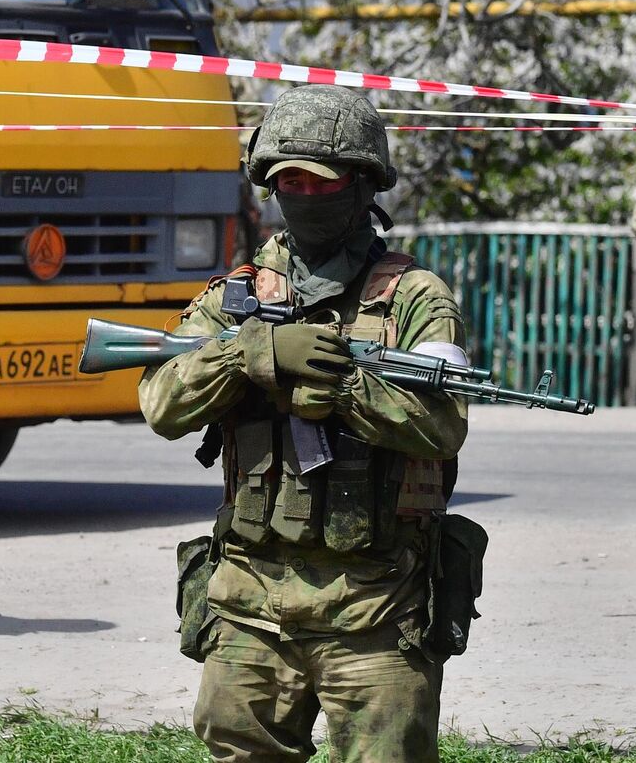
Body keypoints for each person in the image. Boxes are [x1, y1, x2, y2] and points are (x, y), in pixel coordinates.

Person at [139, 84, 472, 762]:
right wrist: (249, 355)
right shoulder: (236, 297)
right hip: (251, 603)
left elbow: (443, 427)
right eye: (289, 180)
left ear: (363, 182)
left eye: (323, 181)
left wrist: (347, 390)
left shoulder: (414, 299)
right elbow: (161, 404)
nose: (305, 195)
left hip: (376, 607)